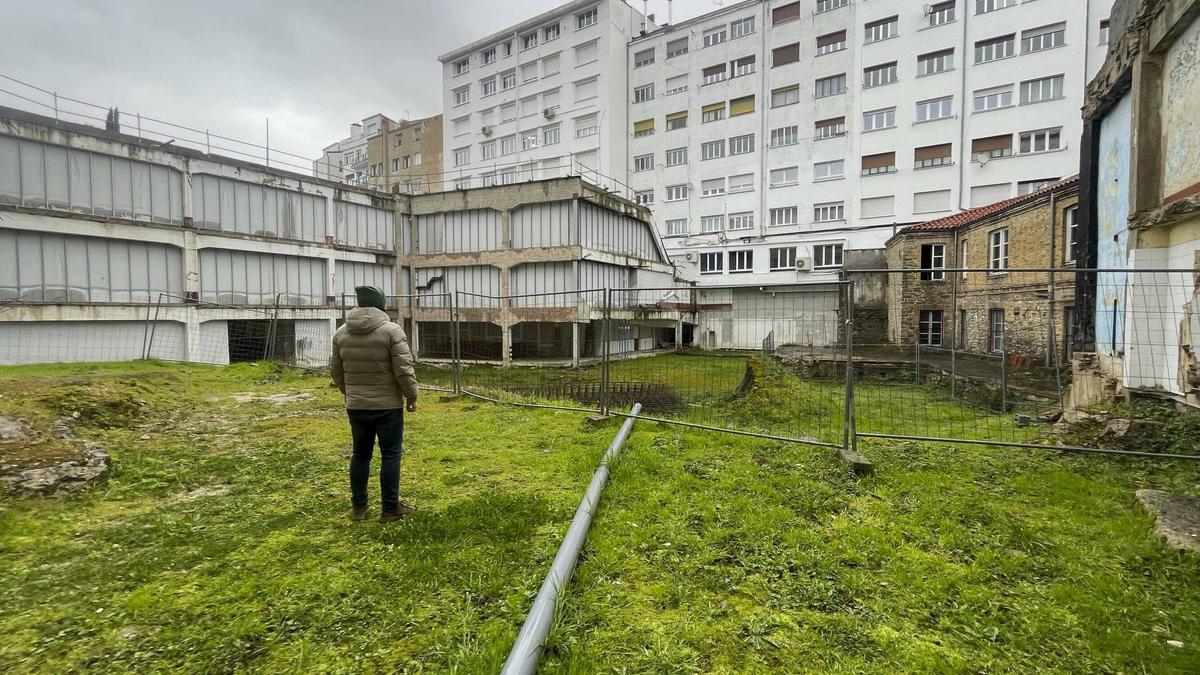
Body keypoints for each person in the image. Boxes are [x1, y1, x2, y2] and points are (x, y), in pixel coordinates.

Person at [330, 285, 419, 523]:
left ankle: (359, 508)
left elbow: (335, 371)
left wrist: (349, 393)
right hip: (387, 406)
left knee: (360, 455)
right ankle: (390, 508)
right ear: (381, 304)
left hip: (356, 406)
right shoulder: (391, 331)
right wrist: (411, 395)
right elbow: (403, 369)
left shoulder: (340, 333)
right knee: (390, 455)